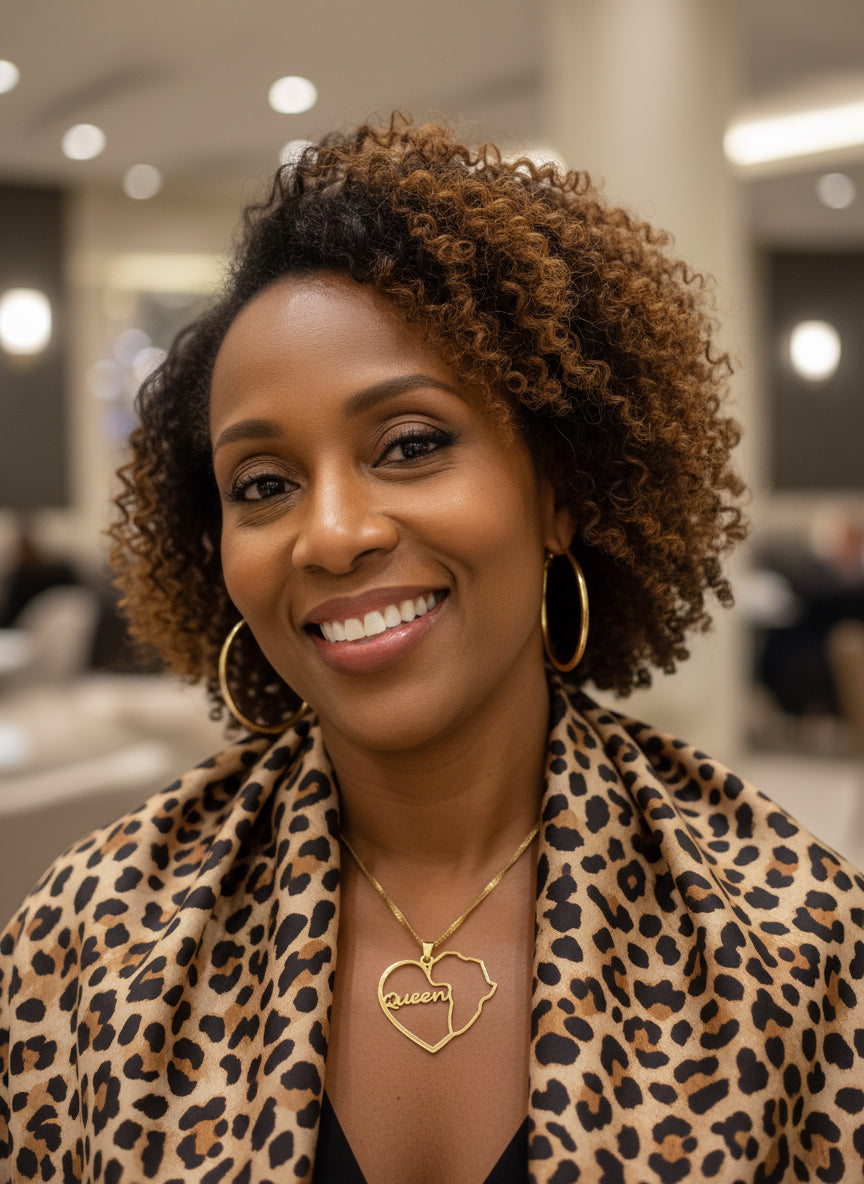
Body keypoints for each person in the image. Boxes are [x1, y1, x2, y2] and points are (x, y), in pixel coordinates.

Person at [2, 113, 863, 1184]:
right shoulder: (88, 941)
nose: (332, 532)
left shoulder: (794, 938)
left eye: (410, 445)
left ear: (560, 491)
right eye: (262, 484)